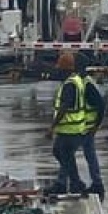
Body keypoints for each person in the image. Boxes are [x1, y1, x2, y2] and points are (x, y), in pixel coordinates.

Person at [53, 53, 106, 198]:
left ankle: (70, 183)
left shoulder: (84, 83)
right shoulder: (80, 81)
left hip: (84, 127)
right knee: (69, 154)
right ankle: (70, 182)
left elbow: (101, 105)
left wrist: (96, 125)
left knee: (68, 154)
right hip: (83, 125)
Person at [43, 56, 88, 196]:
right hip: (73, 127)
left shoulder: (69, 84)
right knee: (62, 154)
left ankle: (69, 183)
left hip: (69, 128)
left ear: (64, 70)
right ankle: (72, 183)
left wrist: (52, 126)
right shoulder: (76, 81)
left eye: (59, 69)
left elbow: (65, 106)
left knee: (64, 154)